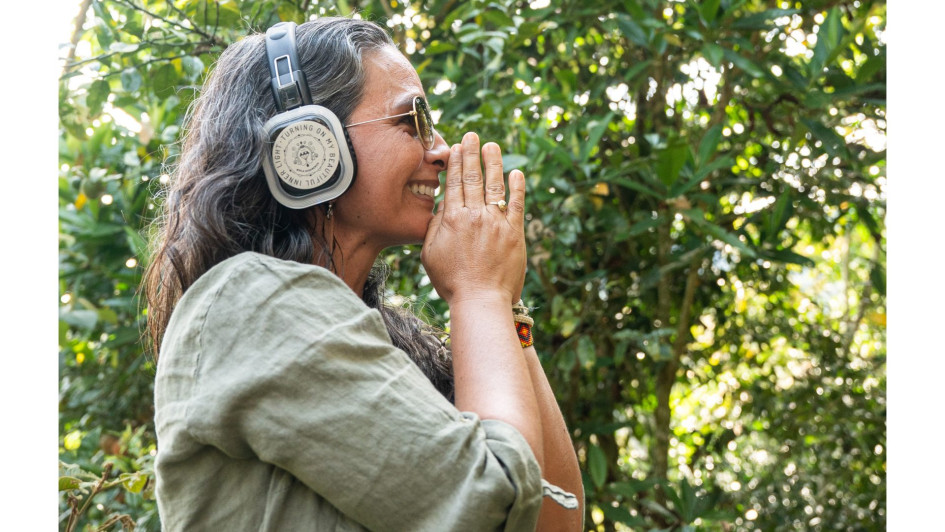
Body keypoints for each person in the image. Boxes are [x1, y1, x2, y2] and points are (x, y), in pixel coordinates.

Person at [144, 16, 583, 531]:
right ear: (307, 144)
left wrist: (502, 303)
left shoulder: (364, 335)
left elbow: (553, 519)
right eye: (410, 120)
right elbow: (495, 506)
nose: (440, 149)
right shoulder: (251, 301)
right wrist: (479, 291)